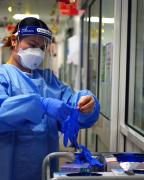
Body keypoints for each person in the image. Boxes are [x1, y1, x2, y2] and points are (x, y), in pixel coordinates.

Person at [0, 17, 100, 180]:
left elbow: (71, 105)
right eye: (32, 45)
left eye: (42, 47)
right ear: (14, 41)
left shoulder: (48, 79)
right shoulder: (4, 76)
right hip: (11, 170)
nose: (37, 52)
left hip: (47, 169)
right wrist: (40, 105)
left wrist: (86, 104)